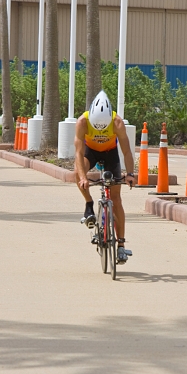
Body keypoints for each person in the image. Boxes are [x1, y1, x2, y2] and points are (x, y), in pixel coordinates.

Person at [74, 90, 135, 263]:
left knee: (116, 199)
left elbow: (126, 151)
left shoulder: (117, 123)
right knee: (77, 173)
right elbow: (78, 153)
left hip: (110, 154)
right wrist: (84, 178)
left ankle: (121, 246)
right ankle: (88, 204)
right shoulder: (82, 122)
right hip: (90, 152)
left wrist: (130, 174)